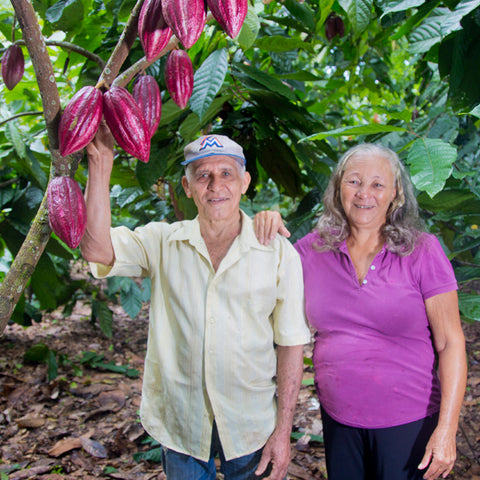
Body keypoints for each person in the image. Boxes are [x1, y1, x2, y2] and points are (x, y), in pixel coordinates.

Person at [80, 125, 311, 480]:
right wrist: (101, 164)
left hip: (252, 423)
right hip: (181, 423)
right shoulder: (163, 242)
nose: (216, 186)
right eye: (203, 176)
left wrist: (283, 431)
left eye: (226, 175)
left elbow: (292, 343)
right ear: (187, 187)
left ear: (245, 182)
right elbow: (96, 249)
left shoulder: (276, 251)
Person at [254, 143, 467, 480]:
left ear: (395, 194)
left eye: (377, 184)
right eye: (353, 181)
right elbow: (258, 278)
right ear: (338, 188)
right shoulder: (311, 250)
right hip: (339, 420)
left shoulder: (423, 250)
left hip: (410, 423)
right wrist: (263, 228)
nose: (364, 193)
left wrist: (446, 430)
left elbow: (450, 344)